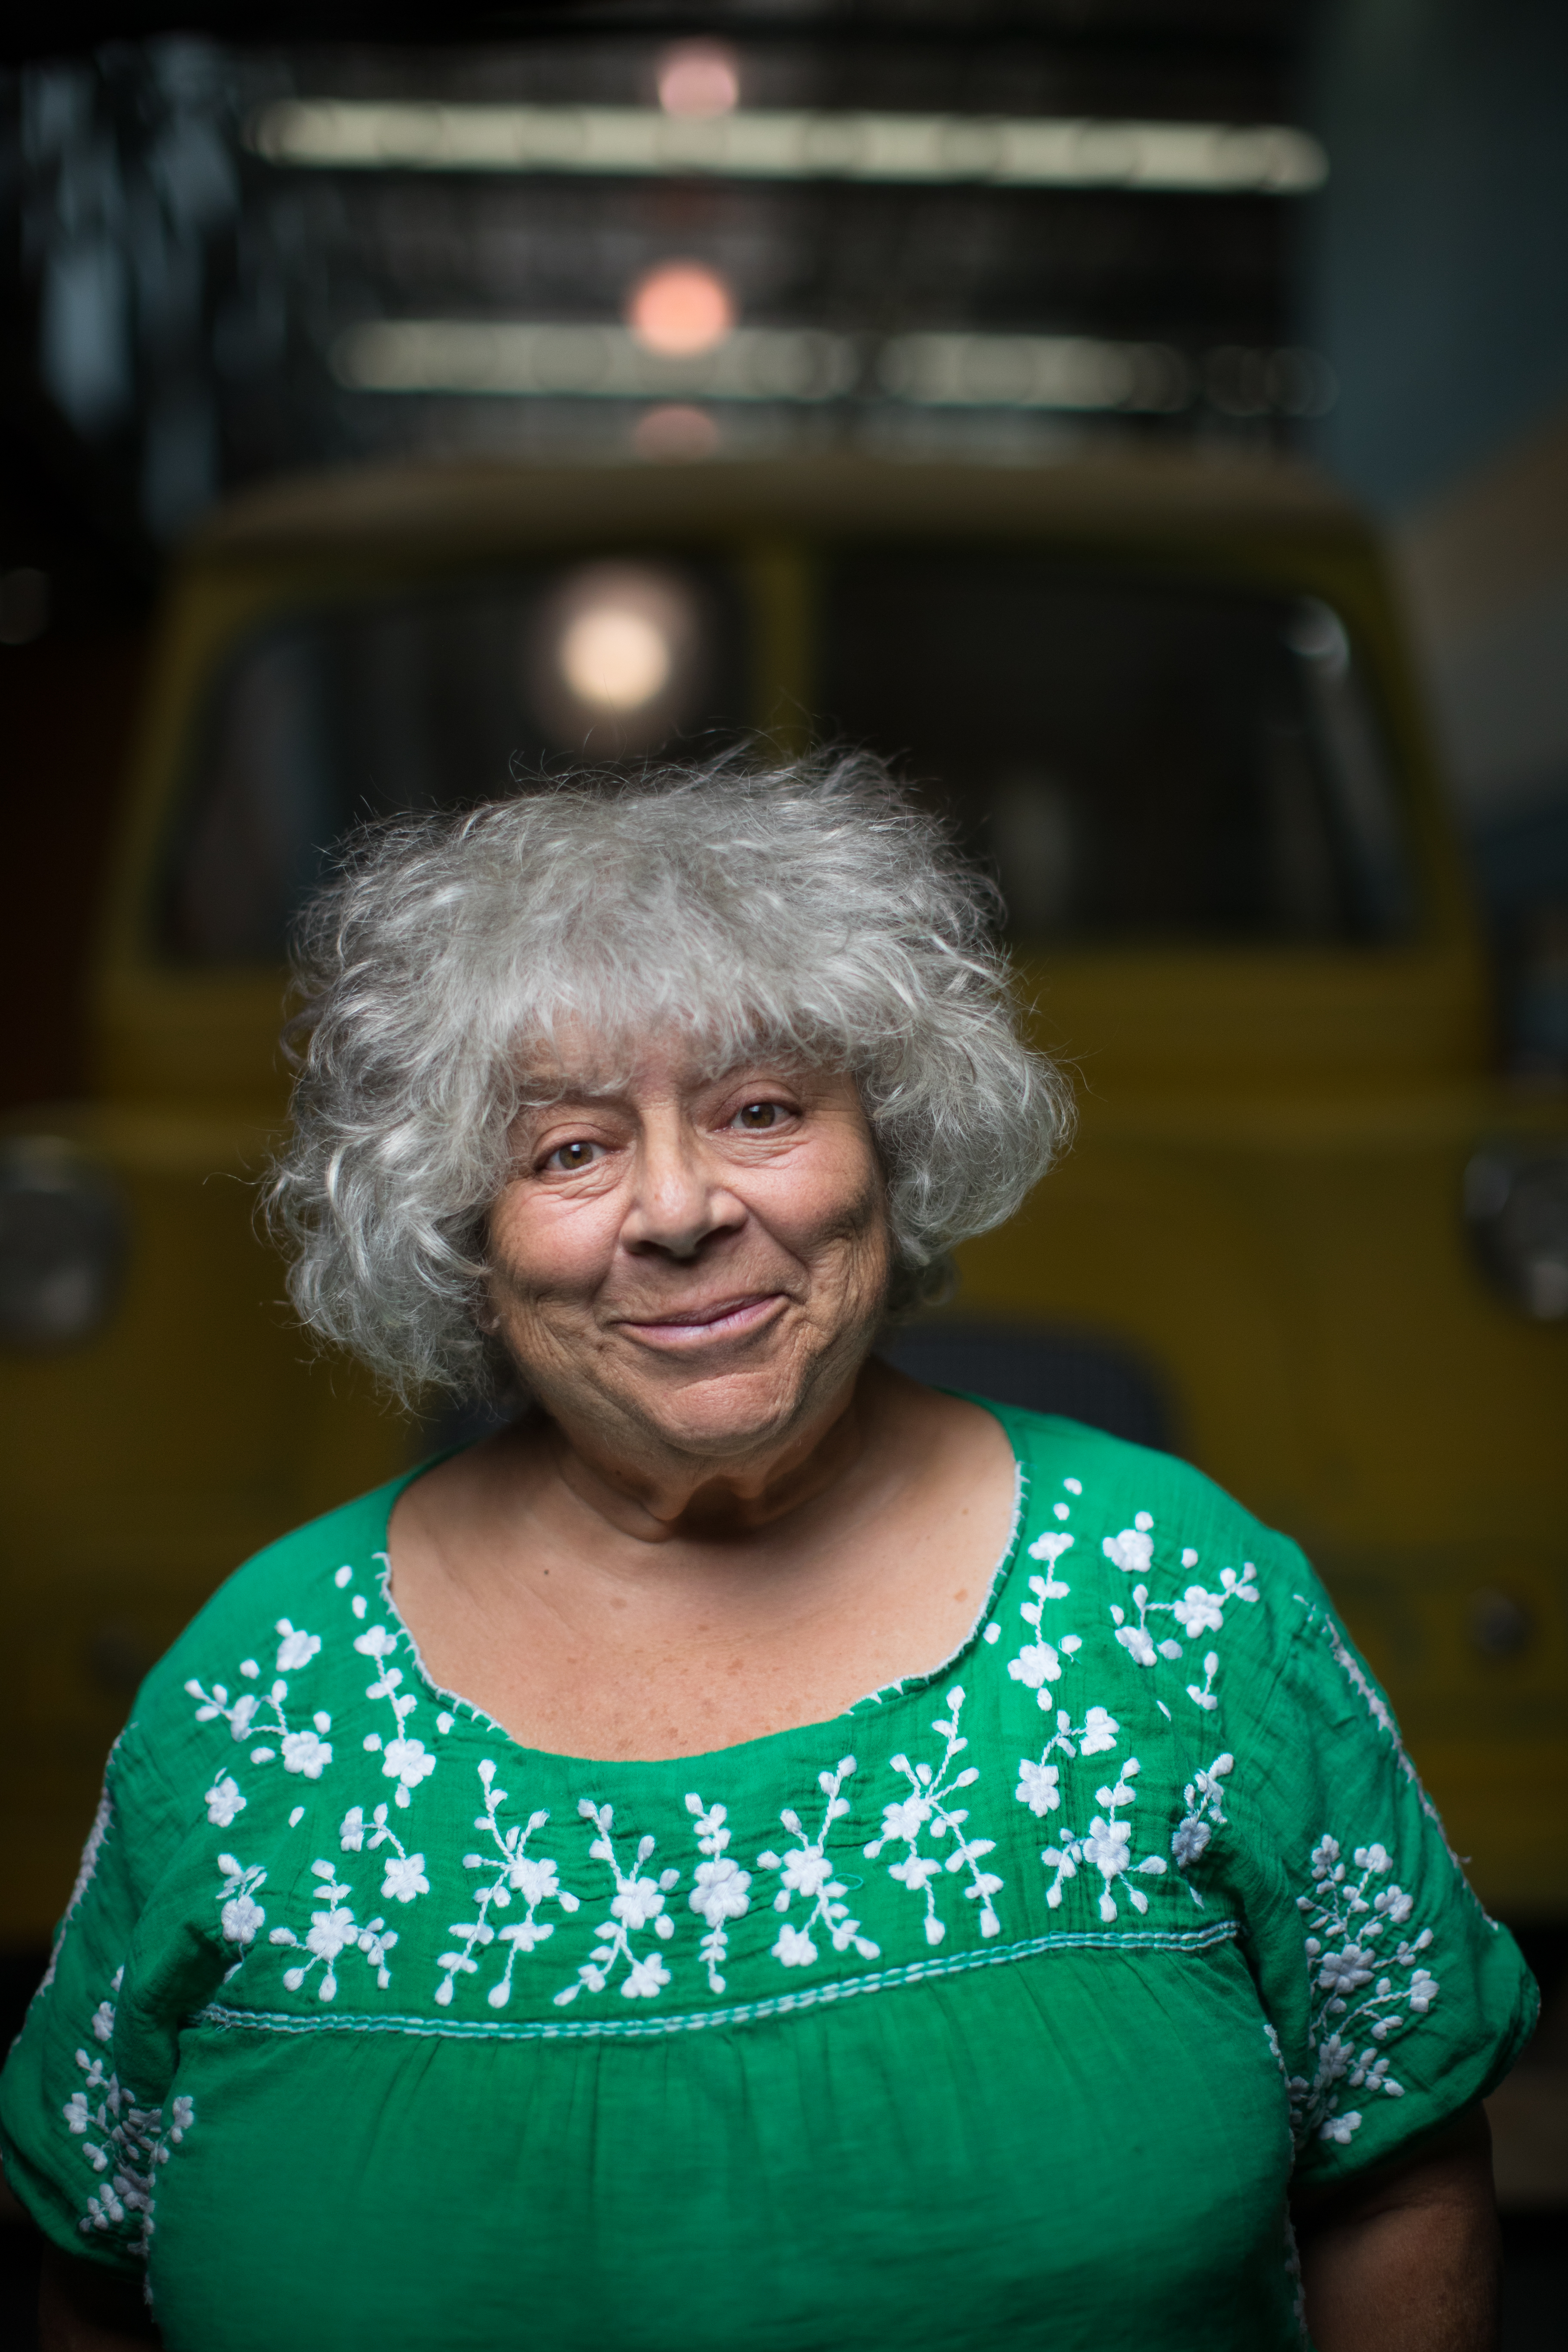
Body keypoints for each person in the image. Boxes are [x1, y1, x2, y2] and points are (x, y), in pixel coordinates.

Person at [1, 756, 1536, 2352]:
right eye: (570, 1150)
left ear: (891, 1149)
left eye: (759, 1110)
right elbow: (94, 2268)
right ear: (463, 1236)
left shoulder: (1183, 1598)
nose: (678, 1210)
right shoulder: (256, 1694)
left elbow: (1399, 2165)